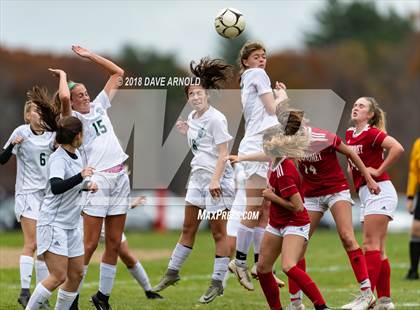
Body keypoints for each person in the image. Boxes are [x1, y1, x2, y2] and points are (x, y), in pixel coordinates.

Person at [50, 45, 128, 310]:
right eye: (79, 95)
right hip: (98, 181)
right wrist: (63, 74)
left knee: (115, 242)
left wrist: (91, 56)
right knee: (91, 243)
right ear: (71, 102)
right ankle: (70, 296)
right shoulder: (71, 119)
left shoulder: (99, 106)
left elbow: (118, 73)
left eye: (85, 93)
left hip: (120, 175)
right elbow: (62, 96)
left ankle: (102, 297)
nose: (85, 97)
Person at [152, 58, 234, 304]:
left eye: (199, 92)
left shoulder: (216, 119)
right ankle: (172, 273)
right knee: (188, 228)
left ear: (207, 94)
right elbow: (202, 144)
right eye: (191, 93)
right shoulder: (193, 117)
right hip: (198, 176)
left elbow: (222, 153)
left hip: (217, 179)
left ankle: (218, 282)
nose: (195, 97)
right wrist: (186, 130)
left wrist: (216, 180)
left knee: (218, 233)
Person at [233, 110, 331, 310]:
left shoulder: (284, 171)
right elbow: (265, 156)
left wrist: (271, 197)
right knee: (262, 269)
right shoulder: (275, 158)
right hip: (277, 223)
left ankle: (321, 306)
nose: (264, 145)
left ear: (274, 145)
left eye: (266, 142)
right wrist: (242, 158)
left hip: (295, 222)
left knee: (288, 266)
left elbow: (297, 207)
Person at [287, 121, 381, 310]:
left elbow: (351, 153)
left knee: (347, 237)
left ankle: (367, 295)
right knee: (298, 246)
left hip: (335, 190)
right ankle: (295, 303)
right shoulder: (289, 140)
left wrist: (369, 179)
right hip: (311, 195)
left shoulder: (324, 137)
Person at [228, 41, 288, 291]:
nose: (262, 60)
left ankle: (260, 265)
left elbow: (272, 115)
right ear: (245, 61)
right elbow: (273, 108)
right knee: (255, 207)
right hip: (257, 146)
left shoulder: (251, 77)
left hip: (265, 145)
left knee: (264, 209)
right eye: (256, 56)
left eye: (264, 56)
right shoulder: (257, 74)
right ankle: (239, 262)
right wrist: (282, 96)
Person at [25, 116, 97, 309]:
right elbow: (56, 186)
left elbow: (72, 184)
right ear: (77, 135)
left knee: (76, 275)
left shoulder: (77, 154)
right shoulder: (58, 158)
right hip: (53, 224)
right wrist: (80, 177)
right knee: (58, 276)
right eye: (82, 132)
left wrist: (86, 186)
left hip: (71, 225)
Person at [1, 87, 58, 308]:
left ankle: (39, 296)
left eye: (42, 111)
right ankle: (25, 292)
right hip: (27, 194)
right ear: (27, 115)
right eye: (35, 111)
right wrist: (13, 145)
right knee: (32, 243)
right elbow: (2, 159)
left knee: (44, 247)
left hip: (47, 196)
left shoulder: (52, 135)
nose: (39, 114)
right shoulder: (21, 132)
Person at [345, 97, 404, 310]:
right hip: (367, 193)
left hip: (381, 190)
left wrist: (378, 171)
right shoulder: (350, 134)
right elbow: (352, 166)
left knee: (370, 244)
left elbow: (397, 148)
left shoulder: (371, 132)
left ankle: (366, 297)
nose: (356, 108)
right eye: (355, 105)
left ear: (370, 114)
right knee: (378, 250)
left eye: (361, 106)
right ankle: (384, 301)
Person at [405, 137, 420, 280]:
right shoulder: (417, 143)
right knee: (416, 229)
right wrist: (410, 196)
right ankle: (413, 271)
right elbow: (414, 172)